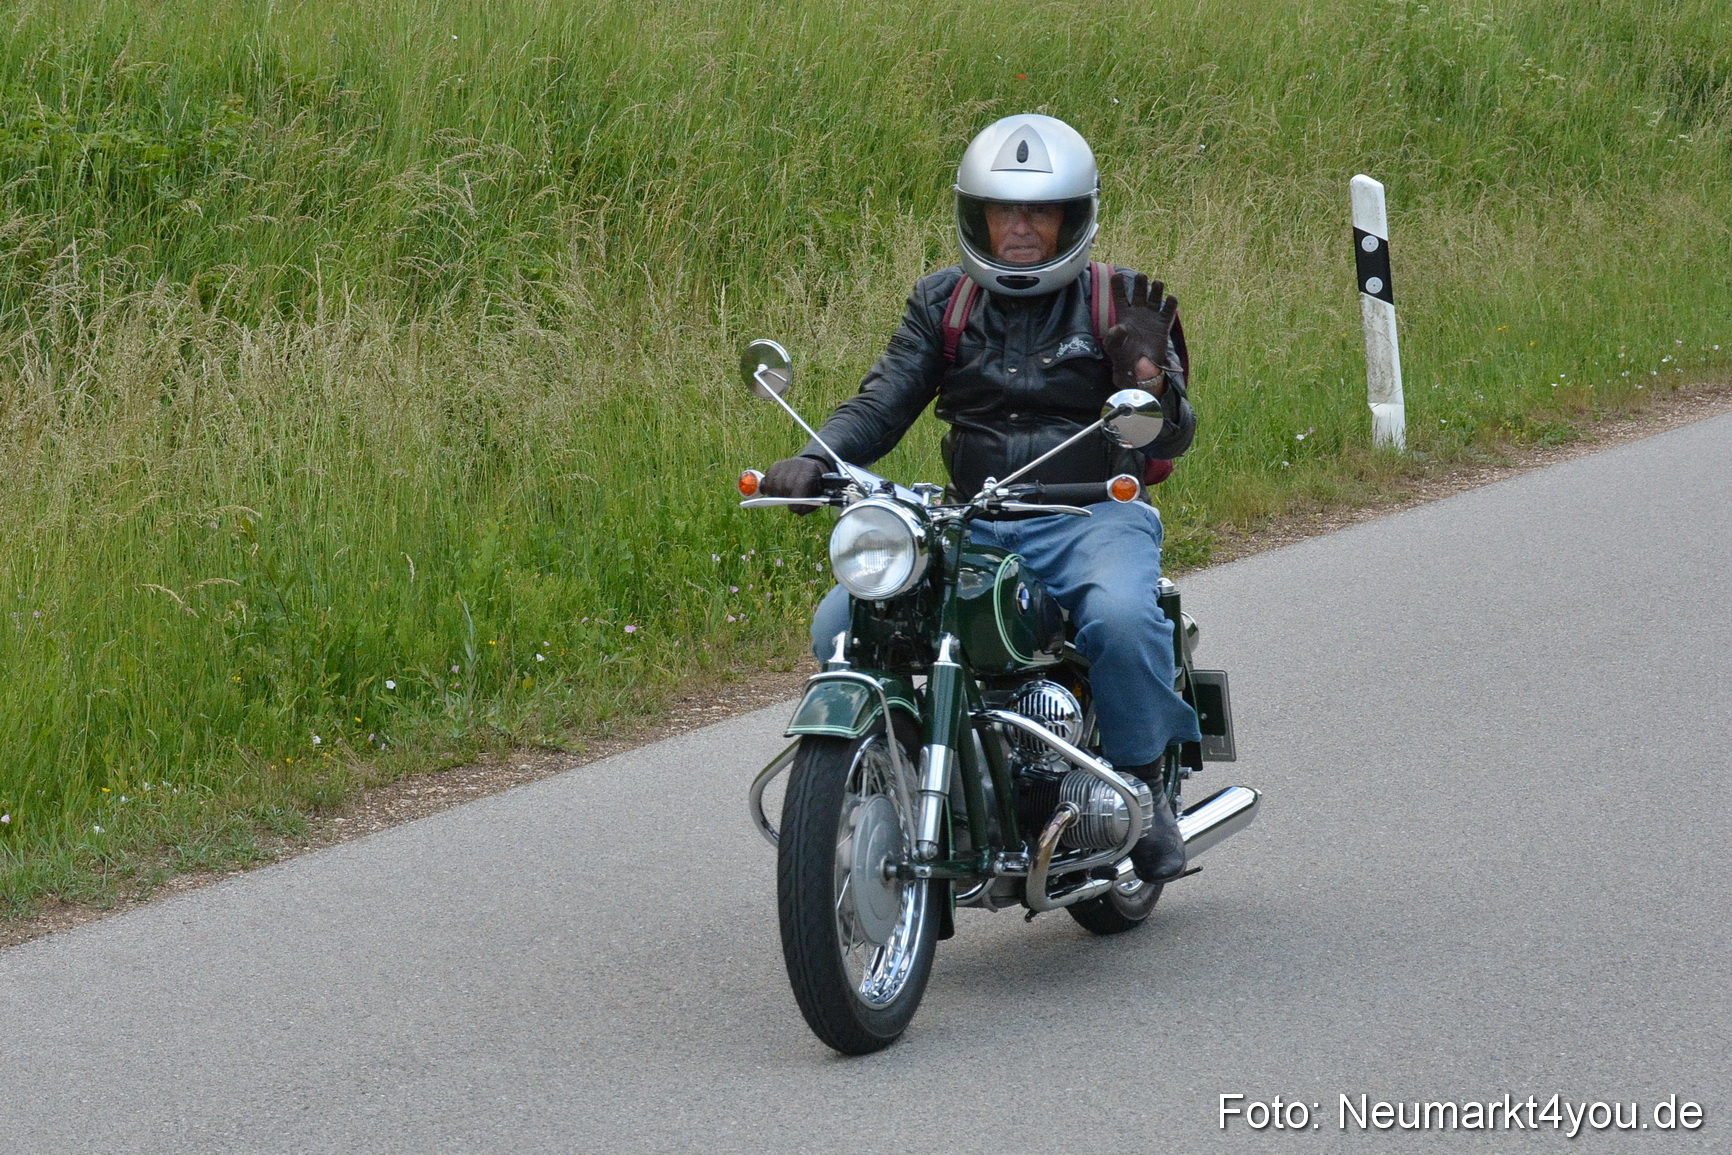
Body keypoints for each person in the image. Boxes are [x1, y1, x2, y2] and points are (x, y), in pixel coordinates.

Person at [760, 114, 1202, 883]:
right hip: (972, 518)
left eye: (1040, 211)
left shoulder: (1120, 302)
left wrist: (1152, 378)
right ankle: (883, 772)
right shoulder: (944, 303)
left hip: (1089, 512)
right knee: (841, 618)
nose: (1021, 228)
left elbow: (1168, 439)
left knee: (1124, 617)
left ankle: (1142, 785)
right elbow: (883, 401)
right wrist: (813, 456)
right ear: (978, 215)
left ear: (1073, 216)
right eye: (1004, 211)